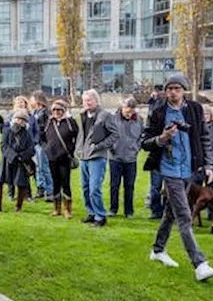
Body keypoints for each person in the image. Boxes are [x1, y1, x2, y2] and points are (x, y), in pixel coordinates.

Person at [141, 73, 213, 282]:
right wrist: (162, 138)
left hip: (190, 170)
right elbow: (145, 141)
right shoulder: (158, 112)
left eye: (176, 88)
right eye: (169, 89)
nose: (172, 92)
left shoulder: (195, 109)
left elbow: (204, 137)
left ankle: (158, 250)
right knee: (185, 215)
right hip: (169, 169)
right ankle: (200, 264)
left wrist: (209, 165)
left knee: (171, 212)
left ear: (183, 89)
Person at [74, 89, 114, 226]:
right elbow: (82, 135)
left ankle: (100, 216)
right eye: (84, 100)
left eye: (89, 100)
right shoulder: (83, 115)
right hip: (84, 157)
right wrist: (79, 150)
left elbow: (114, 135)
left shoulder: (105, 116)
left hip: (97, 157)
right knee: (85, 188)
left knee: (94, 188)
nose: (86, 103)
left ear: (96, 101)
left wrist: (99, 146)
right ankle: (91, 212)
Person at [106, 97, 143, 218]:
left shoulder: (139, 120)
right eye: (127, 109)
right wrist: (112, 148)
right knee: (114, 185)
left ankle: (129, 211)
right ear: (122, 107)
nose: (129, 112)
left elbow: (142, 136)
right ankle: (113, 209)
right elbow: (107, 134)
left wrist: (136, 148)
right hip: (115, 158)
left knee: (129, 186)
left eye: (132, 110)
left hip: (131, 158)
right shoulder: (112, 118)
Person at [0, 104, 35, 212]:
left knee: (22, 184)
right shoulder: (7, 131)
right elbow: (3, 145)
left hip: (21, 162)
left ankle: (18, 206)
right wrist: (13, 156)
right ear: (14, 119)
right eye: (18, 118)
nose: (19, 121)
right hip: (6, 160)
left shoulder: (27, 134)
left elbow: (31, 149)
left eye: (22, 119)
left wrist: (21, 156)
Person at [44, 98, 79, 219]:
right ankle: (56, 208)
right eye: (54, 110)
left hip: (65, 157)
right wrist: (47, 149)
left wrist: (71, 151)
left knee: (66, 183)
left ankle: (67, 210)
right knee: (55, 183)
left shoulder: (70, 122)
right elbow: (42, 136)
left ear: (64, 110)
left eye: (59, 110)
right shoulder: (49, 122)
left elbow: (77, 137)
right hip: (52, 157)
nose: (56, 112)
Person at [29, 91, 53, 201]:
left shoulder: (46, 113)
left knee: (44, 167)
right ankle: (40, 187)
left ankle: (50, 191)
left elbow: (47, 129)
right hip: (36, 143)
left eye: (32, 99)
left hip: (43, 144)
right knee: (38, 167)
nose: (30, 101)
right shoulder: (35, 112)